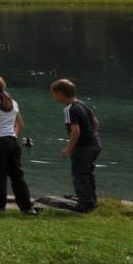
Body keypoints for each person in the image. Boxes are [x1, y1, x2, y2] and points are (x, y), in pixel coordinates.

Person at [0, 73, 37, 215]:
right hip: (12, 142)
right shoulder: (12, 102)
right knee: (17, 176)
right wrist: (13, 136)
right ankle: (27, 207)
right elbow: (20, 125)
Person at [51, 78, 100, 212]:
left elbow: (75, 130)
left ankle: (84, 204)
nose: (54, 97)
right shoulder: (83, 104)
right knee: (88, 173)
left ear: (60, 94)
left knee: (79, 175)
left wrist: (68, 148)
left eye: (54, 94)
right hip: (94, 144)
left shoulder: (69, 109)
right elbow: (96, 122)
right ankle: (91, 201)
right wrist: (92, 135)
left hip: (82, 148)